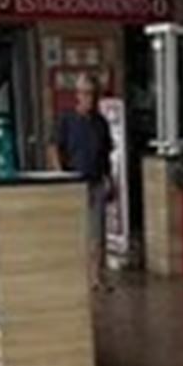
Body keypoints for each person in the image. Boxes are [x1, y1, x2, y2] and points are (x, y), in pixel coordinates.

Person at [50, 74, 114, 290]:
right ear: (77, 95)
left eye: (92, 94)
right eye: (84, 93)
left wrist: (109, 179)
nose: (89, 98)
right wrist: (61, 176)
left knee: (97, 233)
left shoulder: (101, 123)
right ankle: (76, 276)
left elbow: (106, 154)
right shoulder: (66, 120)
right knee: (76, 233)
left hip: (96, 182)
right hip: (73, 183)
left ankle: (96, 277)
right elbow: (55, 148)